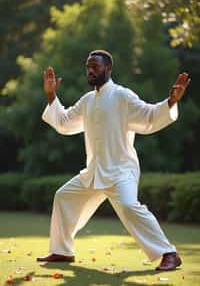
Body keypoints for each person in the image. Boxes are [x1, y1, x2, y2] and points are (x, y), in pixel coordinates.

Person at [37, 50, 190, 271]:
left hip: (121, 171)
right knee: (63, 197)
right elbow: (64, 122)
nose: (90, 71)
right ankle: (62, 252)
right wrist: (51, 96)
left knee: (129, 205)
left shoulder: (122, 96)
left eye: (95, 67)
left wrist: (170, 102)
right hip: (94, 172)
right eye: (88, 66)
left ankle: (169, 253)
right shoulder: (87, 100)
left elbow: (148, 116)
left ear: (108, 69)